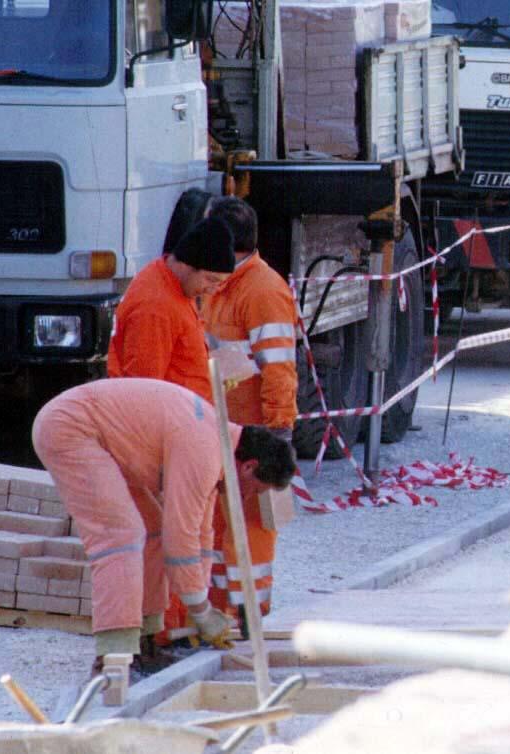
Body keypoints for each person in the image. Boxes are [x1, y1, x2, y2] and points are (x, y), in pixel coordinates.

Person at [31, 378, 295, 677]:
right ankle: (113, 655)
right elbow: (180, 541)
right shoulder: (205, 450)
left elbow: (200, 536)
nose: (247, 496)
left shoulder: (217, 447)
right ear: (249, 466)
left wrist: (201, 609)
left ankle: (145, 642)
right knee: (122, 534)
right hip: (70, 429)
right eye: (255, 489)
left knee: (151, 528)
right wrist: (202, 612)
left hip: (95, 434)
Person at [199, 196, 298, 628]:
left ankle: (248, 611)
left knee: (251, 526)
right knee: (222, 524)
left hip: (253, 432)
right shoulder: (224, 286)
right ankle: (224, 608)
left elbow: (279, 367)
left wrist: (278, 429)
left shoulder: (261, 291)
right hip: (225, 427)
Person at [107, 215, 236, 401]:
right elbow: (144, 392)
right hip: (171, 422)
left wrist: (210, 379)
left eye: (220, 283)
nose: (213, 290)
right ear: (186, 264)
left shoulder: (176, 284)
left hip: (187, 415)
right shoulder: (155, 308)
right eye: (211, 279)